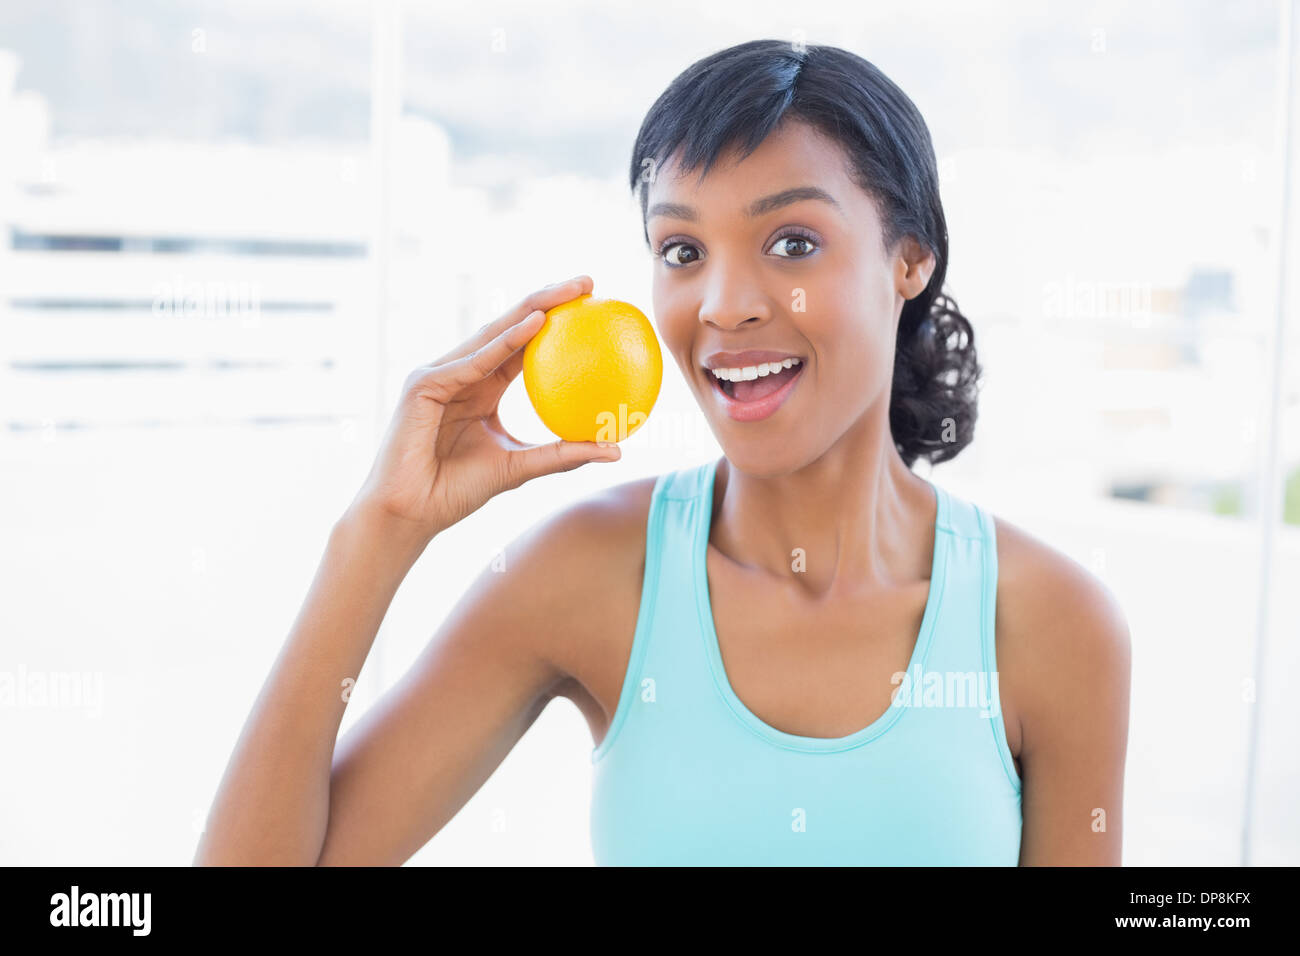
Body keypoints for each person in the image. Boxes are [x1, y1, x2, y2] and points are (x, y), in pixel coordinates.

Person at [195, 39, 1130, 866]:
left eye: (792, 241)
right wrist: (381, 530)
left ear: (910, 258)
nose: (724, 304)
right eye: (681, 250)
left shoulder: (1053, 625)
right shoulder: (587, 574)